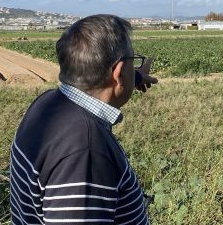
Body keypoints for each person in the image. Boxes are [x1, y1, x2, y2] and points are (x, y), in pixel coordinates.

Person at [10, 14, 158, 225]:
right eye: (132, 61)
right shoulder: (86, 151)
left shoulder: (46, 105)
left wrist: (133, 77)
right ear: (117, 72)